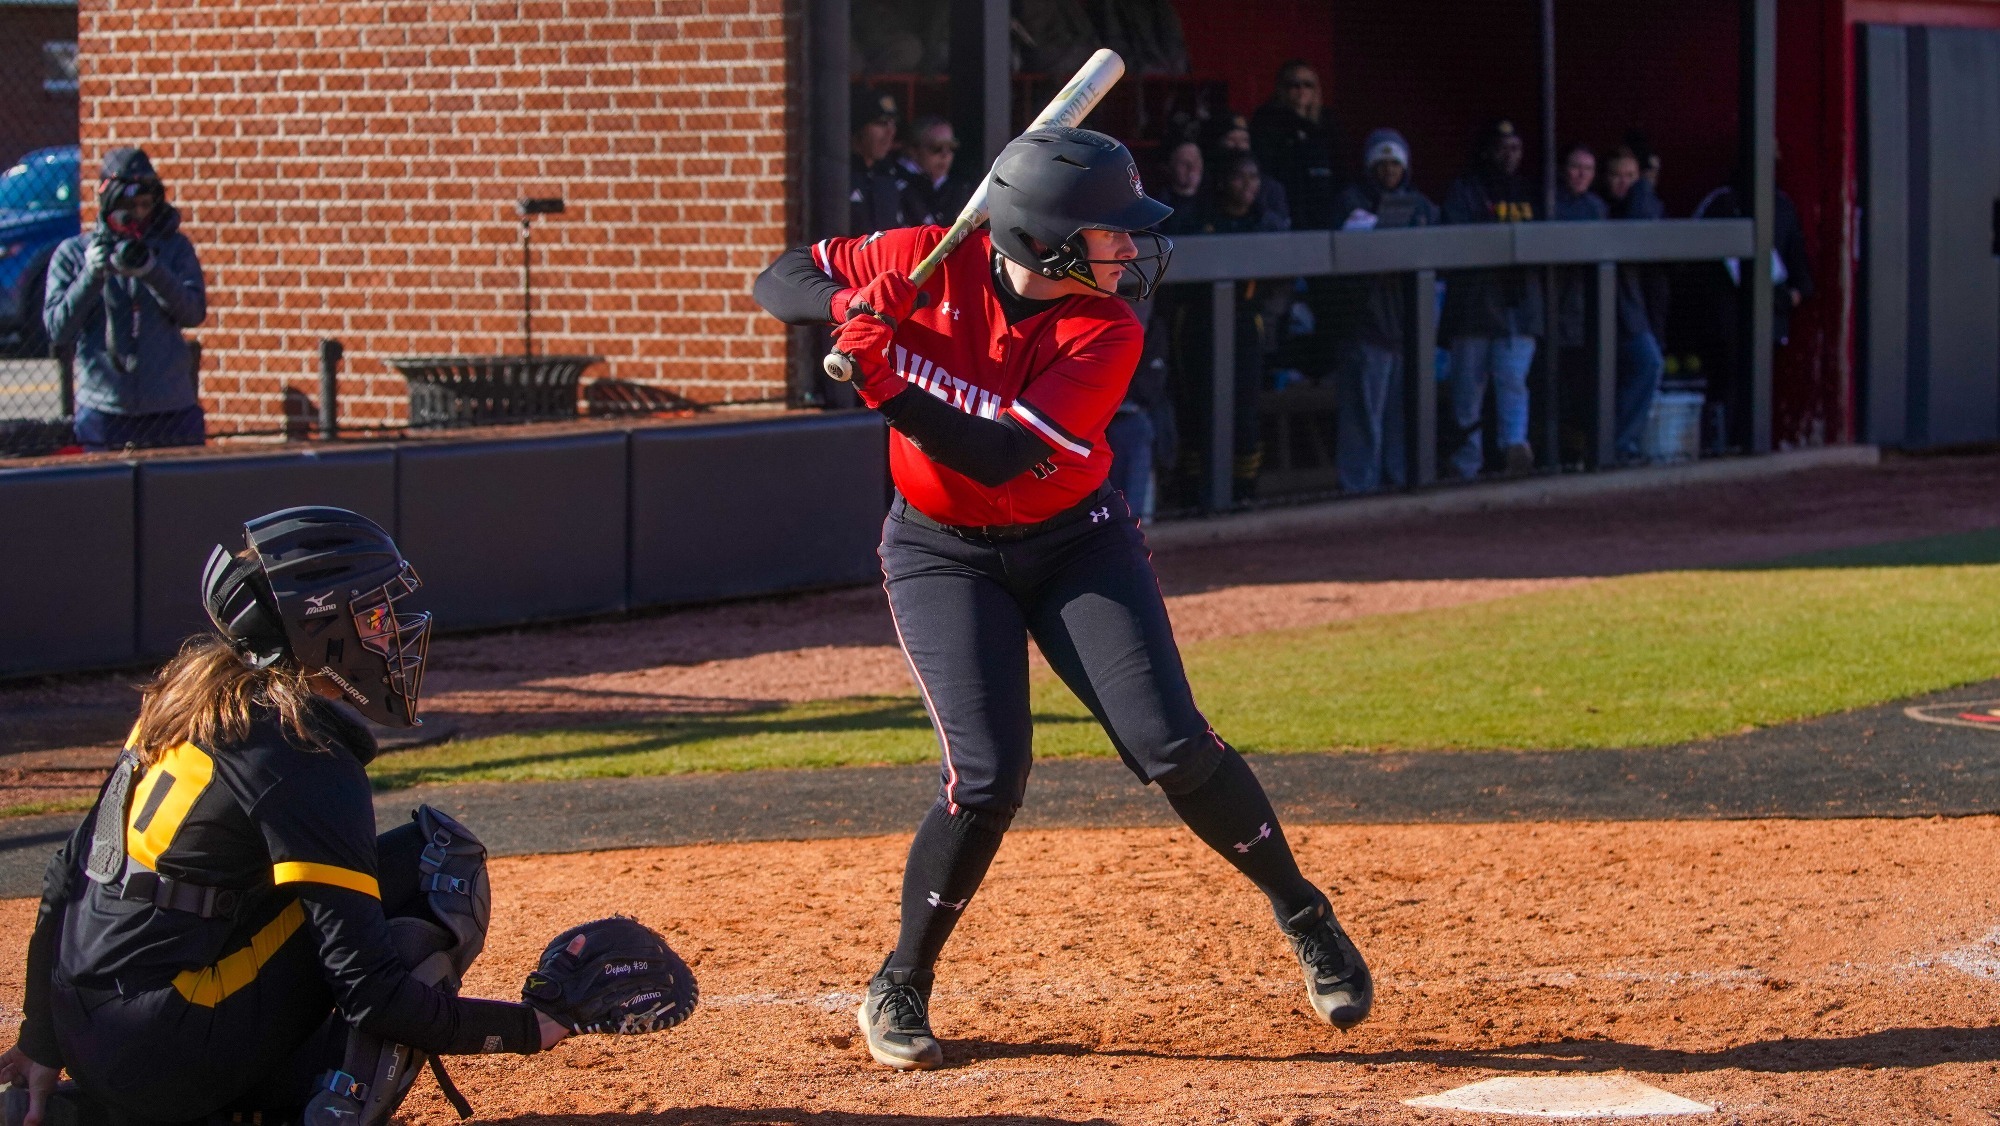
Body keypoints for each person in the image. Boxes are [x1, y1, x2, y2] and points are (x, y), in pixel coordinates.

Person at [751, 125, 1371, 1071]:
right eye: (1112, 232)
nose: (1131, 246)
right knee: (989, 777)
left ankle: (1304, 912)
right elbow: (778, 276)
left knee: (1170, 744)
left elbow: (1000, 458)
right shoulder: (930, 254)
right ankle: (901, 983)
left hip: (1077, 543)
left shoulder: (1107, 327)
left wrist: (881, 378)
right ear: (1047, 244)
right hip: (940, 551)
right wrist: (849, 302)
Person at [0, 508, 589, 1126]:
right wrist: (531, 1027)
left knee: (332, 884)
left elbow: (68, 873)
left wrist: (43, 1038)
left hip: (93, 1027)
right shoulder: (302, 748)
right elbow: (371, 994)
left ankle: (117, 1108)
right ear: (321, 626)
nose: (390, 633)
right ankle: (317, 1112)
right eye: (374, 615)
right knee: (439, 864)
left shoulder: (189, 695)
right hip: (162, 1053)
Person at [43, 147, 207, 453]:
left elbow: (193, 313)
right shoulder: (74, 254)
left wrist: (152, 271)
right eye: (128, 205)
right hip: (105, 409)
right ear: (109, 203)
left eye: (146, 204)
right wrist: (91, 275)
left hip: (171, 407)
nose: (139, 213)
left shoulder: (173, 248)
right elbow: (58, 328)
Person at [1330, 129, 1439, 494]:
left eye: (1395, 163)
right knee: (1364, 417)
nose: (1389, 170)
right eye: (1382, 162)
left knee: (1401, 417)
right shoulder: (1351, 201)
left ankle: (1400, 484)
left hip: (1409, 329)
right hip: (1366, 327)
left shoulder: (1420, 205)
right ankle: (1359, 489)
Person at [1440, 118, 1544, 479]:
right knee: (1468, 392)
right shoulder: (1465, 189)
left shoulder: (1532, 190)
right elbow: (1457, 240)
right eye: (1502, 147)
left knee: (1513, 381)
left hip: (1518, 307)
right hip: (1473, 306)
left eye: (1516, 147)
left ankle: (1514, 450)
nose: (1509, 155)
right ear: (1486, 150)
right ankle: (1468, 463)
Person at [1201, 152, 1292, 502]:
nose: (1248, 186)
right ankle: (1199, 491)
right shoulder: (1203, 219)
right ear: (1224, 181)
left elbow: (1282, 282)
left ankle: (1243, 491)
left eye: (1254, 178)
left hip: (1247, 323)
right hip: (1201, 325)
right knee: (1202, 409)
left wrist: (1269, 319)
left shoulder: (1266, 223)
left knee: (1246, 411)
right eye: (1240, 177)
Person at [1600, 147, 1667, 464]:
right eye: (1616, 175)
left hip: (1631, 316)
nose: (1623, 183)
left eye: (1631, 177)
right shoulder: (1598, 208)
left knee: (1648, 363)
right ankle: (1614, 447)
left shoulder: (1645, 207)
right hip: (1593, 318)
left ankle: (1620, 445)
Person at [1551, 143, 1608, 464]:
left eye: (1588, 169)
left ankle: (1582, 455)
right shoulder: (1549, 204)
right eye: (1575, 167)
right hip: (1555, 317)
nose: (1581, 174)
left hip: (1589, 316)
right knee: (1556, 391)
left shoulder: (1598, 208)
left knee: (1583, 392)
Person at [1248, 61, 1343, 230]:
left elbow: (1340, 164)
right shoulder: (1267, 120)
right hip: (1286, 203)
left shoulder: (1328, 121)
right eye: (1294, 85)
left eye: (1308, 85)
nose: (1302, 90)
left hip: (1324, 203)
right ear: (1282, 88)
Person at [850, 86, 910, 234]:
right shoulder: (840, 177)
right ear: (859, 128)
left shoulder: (894, 176)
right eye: (881, 122)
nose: (891, 131)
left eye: (893, 123)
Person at [900, 116, 977, 228]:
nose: (945, 155)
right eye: (936, 147)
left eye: (951, 146)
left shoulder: (962, 188)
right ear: (913, 150)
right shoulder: (897, 186)